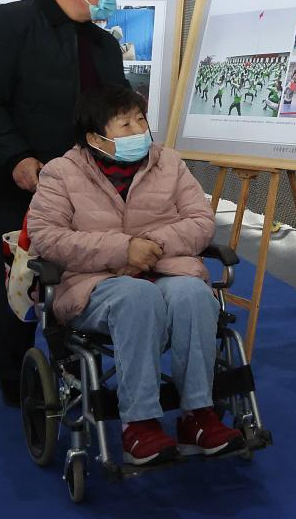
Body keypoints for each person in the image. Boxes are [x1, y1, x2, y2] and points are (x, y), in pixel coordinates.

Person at [0, 0, 134, 407]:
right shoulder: (9, 25)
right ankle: (14, 383)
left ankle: (74, 370)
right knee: (16, 283)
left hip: (90, 192)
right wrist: (15, 157)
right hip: (20, 188)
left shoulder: (103, 44)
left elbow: (114, 113)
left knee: (79, 279)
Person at [28, 86, 243, 465]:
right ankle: (139, 424)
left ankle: (198, 415)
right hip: (92, 284)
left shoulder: (169, 163)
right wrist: (121, 250)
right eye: (125, 124)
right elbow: (47, 237)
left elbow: (201, 221)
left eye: (140, 119)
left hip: (167, 270)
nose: (139, 130)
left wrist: (148, 247)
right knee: (137, 298)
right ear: (95, 138)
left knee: (195, 296)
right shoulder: (61, 173)